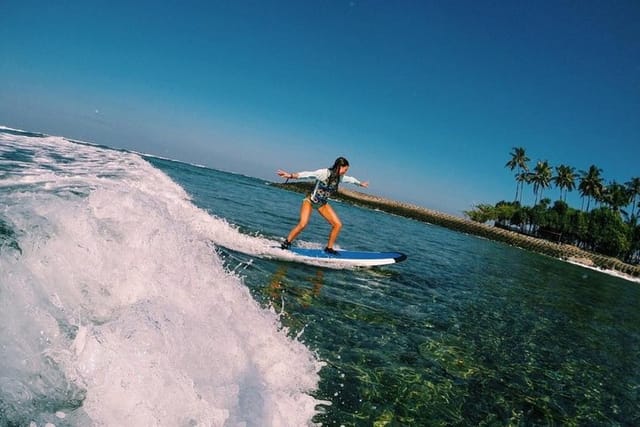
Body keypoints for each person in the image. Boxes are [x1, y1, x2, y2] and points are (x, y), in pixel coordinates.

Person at [276, 157, 369, 254]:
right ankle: (287, 242)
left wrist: (360, 184)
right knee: (303, 224)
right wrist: (290, 175)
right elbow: (307, 174)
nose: (345, 172)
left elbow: (351, 179)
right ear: (339, 167)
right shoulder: (324, 173)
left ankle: (329, 248)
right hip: (310, 201)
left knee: (338, 225)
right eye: (345, 169)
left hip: (322, 204)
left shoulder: (340, 177)